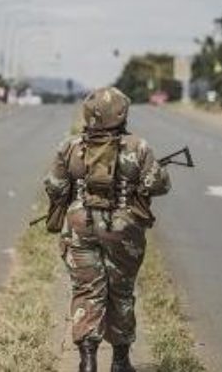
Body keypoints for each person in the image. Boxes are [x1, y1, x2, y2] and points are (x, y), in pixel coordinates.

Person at [44, 87, 171, 372]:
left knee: (87, 290)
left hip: (79, 227)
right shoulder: (138, 146)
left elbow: (54, 186)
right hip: (123, 230)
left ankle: (88, 361)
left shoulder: (70, 146)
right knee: (121, 291)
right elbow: (159, 185)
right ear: (123, 113)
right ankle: (120, 361)